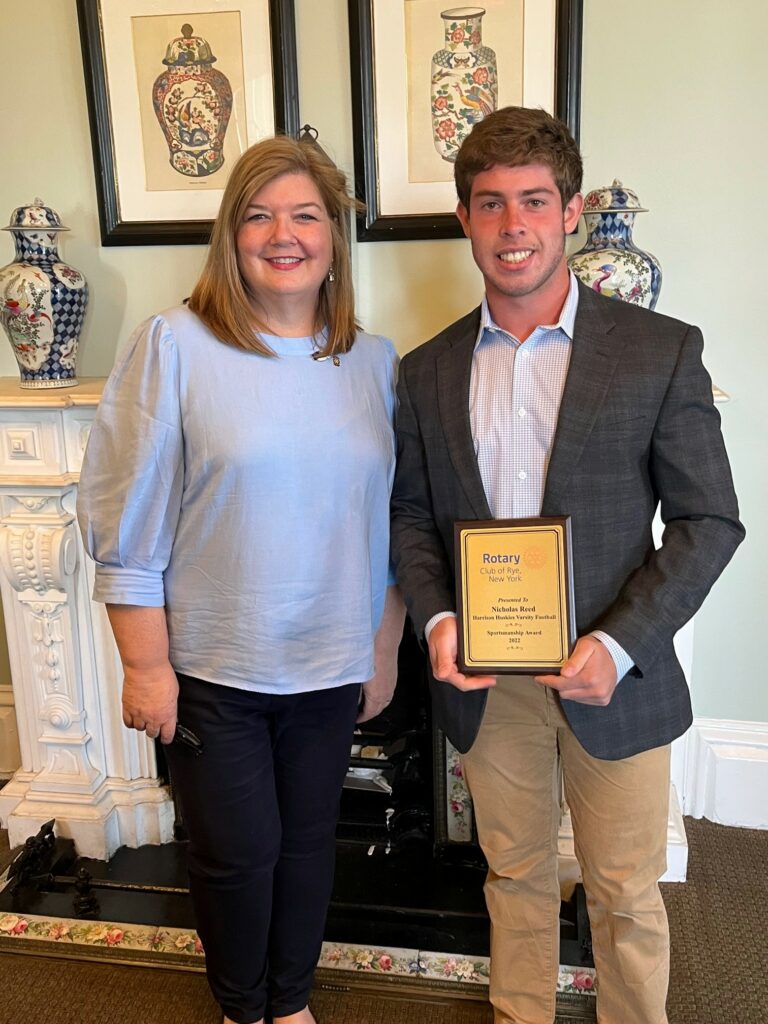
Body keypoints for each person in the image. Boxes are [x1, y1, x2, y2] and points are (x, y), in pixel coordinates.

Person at [390, 106, 744, 1024]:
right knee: (513, 876)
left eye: (535, 202)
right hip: (485, 679)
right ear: (466, 218)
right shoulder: (425, 372)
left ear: (571, 210)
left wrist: (619, 646)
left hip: (612, 676)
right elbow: (412, 517)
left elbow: (710, 521)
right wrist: (435, 619)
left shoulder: (659, 351)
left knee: (625, 892)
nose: (514, 227)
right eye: (492, 204)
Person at [77, 135, 405, 1024]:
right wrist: (146, 667)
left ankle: (288, 1001)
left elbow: (384, 522)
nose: (282, 233)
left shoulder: (372, 364)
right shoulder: (175, 344)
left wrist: (381, 646)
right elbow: (127, 513)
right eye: (258, 215)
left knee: (306, 849)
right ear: (232, 235)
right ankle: (240, 1006)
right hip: (214, 664)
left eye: (305, 215)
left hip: (331, 661)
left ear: (334, 238)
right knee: (236, 852)